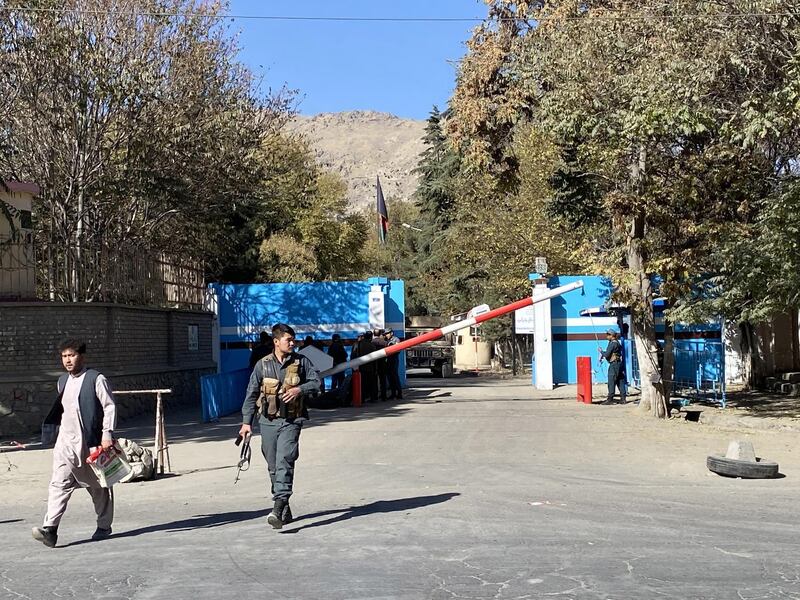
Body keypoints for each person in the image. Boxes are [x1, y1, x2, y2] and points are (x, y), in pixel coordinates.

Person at [33, 339, 117, 548]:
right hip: (65, 443)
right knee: (58, 483)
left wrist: (107, 434)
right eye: (64, 356)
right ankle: (50, 529)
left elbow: (109, 407)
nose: (68, 360)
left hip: (90, 443)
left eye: (72, 355)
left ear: (82, 356)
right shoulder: (62, 381)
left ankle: (104, 526)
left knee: (98, 485)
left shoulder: (96, 379)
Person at [239, 323, 320, 529]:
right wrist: (246, 423)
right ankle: (284, 506)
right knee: (273, 465)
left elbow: (316, 382)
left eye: (293, 340)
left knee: (285, 458)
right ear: (276, 342)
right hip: (267, 421)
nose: (293, 343)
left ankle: (277, 506)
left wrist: (299, 390)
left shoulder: (302, 362)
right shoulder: (262, 365)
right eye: (288, 340)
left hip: (292, 420)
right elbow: (251, 394)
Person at [599, 329, 626, 405]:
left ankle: (610, 399)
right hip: (619, 364)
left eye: (608, 335)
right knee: (620, 381)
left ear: (611, 335)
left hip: (614, 365)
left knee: (611, 381)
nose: (606, 336)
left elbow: (607, 354)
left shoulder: (612, 344)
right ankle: (623, 398)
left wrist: (601, 351)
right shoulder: (617, 343)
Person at [384, 329, 403, 400]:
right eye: (385, 334)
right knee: (390, 377)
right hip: (388, 360)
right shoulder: (386, 340)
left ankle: (399, 393)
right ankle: (393, 393)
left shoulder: (396, 339)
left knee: (395, 377)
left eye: (387, 333)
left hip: (394, 360)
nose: (386, 335)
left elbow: (398, 350)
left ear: (391, 333)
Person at [372, 328, 388, 401]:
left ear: (374, 334)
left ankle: (374, 396)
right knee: (383, 380)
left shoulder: (371, 342)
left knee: (374, 381)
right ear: (380, 334)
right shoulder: (384, 342)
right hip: (383, 363)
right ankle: (383, 396)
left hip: (374, 364)